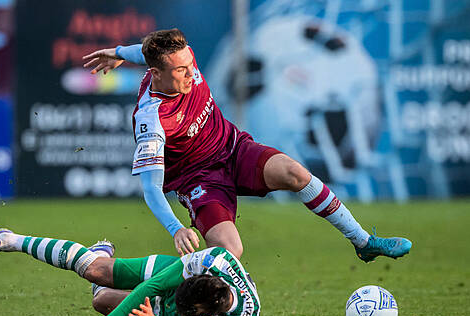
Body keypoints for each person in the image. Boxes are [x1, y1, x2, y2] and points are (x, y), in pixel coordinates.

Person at [82, 28, 412, 262]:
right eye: (181, 71)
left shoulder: (177, 58)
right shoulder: (151, 119)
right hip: (198, 180)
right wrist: (176, 229)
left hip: (233, 148)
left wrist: (117, 53)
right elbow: (151, 189)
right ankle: (174, 303)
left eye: (189, 65)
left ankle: (363, 241)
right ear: (156, 74)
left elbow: (145, 51)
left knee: (295, 173)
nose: (190, 74)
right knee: (230, 250)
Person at [0, 229, 260, 316]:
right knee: (96, 272)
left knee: (102, 301)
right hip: (173, 274)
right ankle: (7, 240)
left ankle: (100, 251)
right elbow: (152, 286)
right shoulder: (215, 260)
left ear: (204, 314)